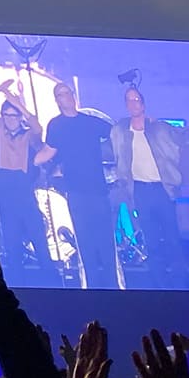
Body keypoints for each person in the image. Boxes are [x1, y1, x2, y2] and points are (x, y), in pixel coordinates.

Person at [110, 84, 189, 288]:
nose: (133, 103)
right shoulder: (119, 131)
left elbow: (187, 137)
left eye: (136, 99)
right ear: (126, 105)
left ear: (143, 103)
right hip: (139, 191)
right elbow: (107, 150)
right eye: (129, 100)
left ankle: (180, 286)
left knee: (172, 239)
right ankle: (159, 286)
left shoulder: (160, 128)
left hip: (162, 190)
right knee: (151, 241)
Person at [39, 81, 115, 288]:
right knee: (86, 244)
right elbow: (49, 151)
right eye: (60, 94)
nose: (65, 96)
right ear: (57, 100)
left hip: (99, 190)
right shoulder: (56, 125)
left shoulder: (91, 122)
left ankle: (114, 287)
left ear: (73, 96)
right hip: (76, 192)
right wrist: (25, 162)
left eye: (67, 93)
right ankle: (92, 288)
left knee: (106, 244)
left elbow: (116, 135)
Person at [0, 81, 54, 273]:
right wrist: (0, 88)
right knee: (12, 247)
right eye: (6, 115)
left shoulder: (28, 135)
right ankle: (17, 290)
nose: (10, 119)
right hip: (6, 194)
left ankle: (52, 284)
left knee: (40, 244)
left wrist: (17, 103)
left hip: (25, 194)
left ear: (19, 117)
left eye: (13, 115)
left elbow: (37, 127)